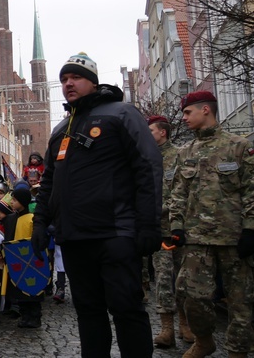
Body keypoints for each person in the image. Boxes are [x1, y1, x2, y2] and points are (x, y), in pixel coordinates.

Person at [31, 52, 162, 357]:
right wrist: (40, 223)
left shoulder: (122, 114)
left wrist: (149, 224)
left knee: (127, 309)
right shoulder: (60, 130)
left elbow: (148, 166)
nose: (68, 84)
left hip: (115, 233)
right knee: (89, 312)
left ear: (92, 81)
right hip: (75, 238)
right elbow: (49, 182)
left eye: (75, 77)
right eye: (64, 80)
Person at [169, 91, 254, 358]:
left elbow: (252, 190)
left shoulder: (239, 146)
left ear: (205, 110)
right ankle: (204, 340)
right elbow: (178, 192)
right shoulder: (186, 153)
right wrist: (176, 227)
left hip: (234, 239)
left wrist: (251, 228)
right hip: (197, 239)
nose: (183, 118)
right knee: (190, 295)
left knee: (241, 302)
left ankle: (238, 352)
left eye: (187, 113)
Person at [146, 115, 190, 347]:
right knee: (163, 279)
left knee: (184, 280)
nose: (147, 134)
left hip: (181, 229)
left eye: (150, 130)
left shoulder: (180, 155)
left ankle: (185, 324)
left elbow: (186, 190)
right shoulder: (145, 159)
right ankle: (166, 329)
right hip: (158, 230)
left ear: (162, 132)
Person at [4, 186, 42, 328]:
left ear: (23, 201)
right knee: (19, 290)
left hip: (30, 260)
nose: (12, 202)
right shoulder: (10, 219)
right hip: (16, 260)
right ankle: (25, 315)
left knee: (32, 290)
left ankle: (35, 316)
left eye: (14, 200)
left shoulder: (32, 219)